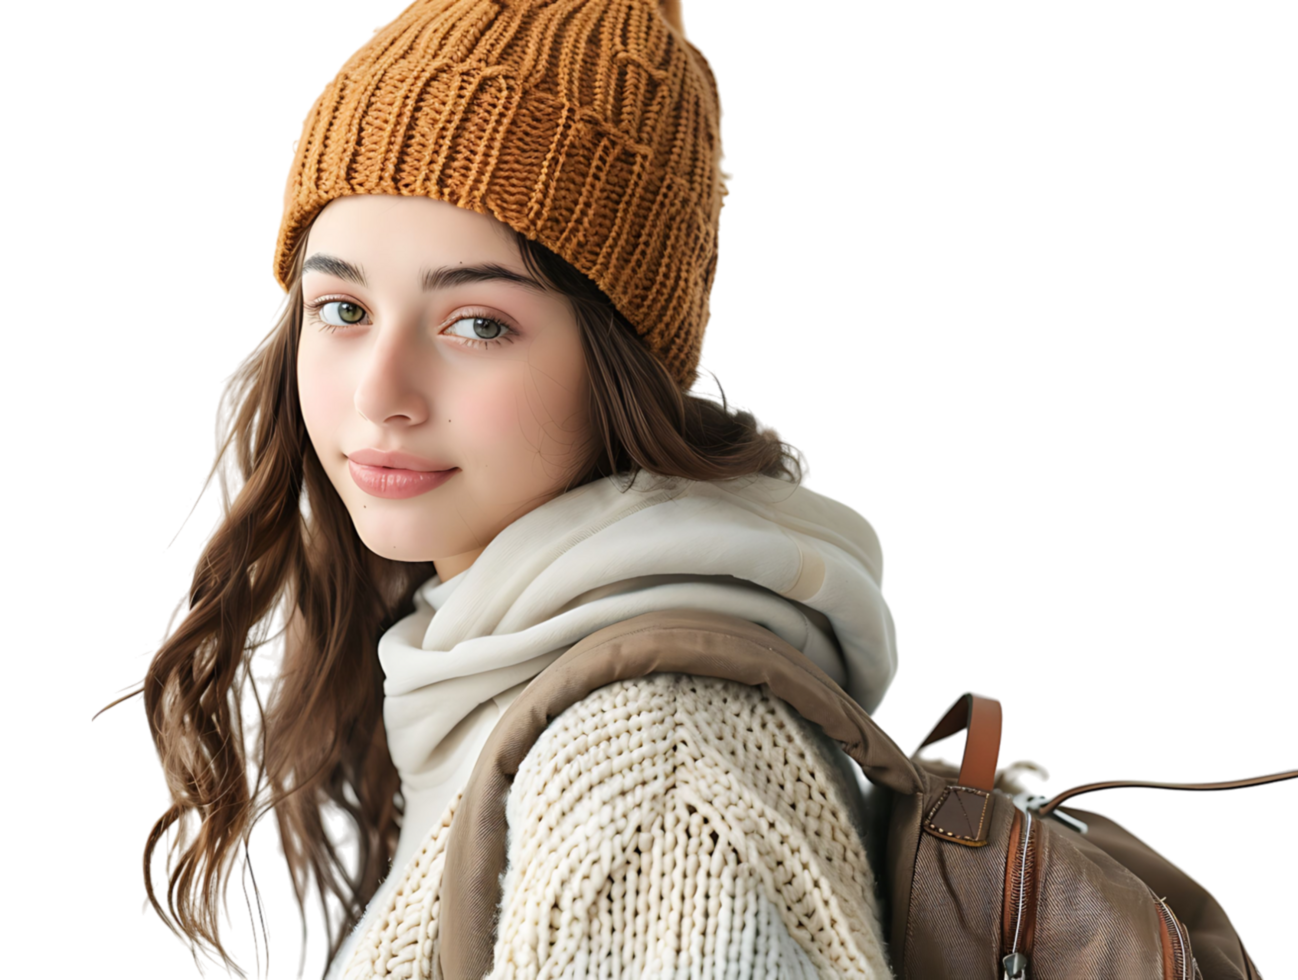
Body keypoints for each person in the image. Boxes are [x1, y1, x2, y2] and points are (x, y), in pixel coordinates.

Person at [93, 2, 904, 977]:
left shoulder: (646, 774)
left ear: (621, 368)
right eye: (343, 308)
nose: (379, 393)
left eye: (477, 323)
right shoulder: (496, 677)